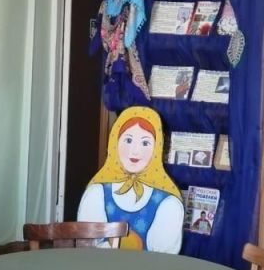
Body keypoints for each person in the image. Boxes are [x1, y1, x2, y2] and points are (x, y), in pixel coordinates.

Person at [77, 106, 185, 253]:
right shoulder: (97, 192)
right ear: (114, 142)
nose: (135, 151)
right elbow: (86, 248)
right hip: (101, 266)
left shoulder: (168, 203)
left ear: (157, 149)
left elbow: (164, 259)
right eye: (128, 140)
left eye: (145, 143)